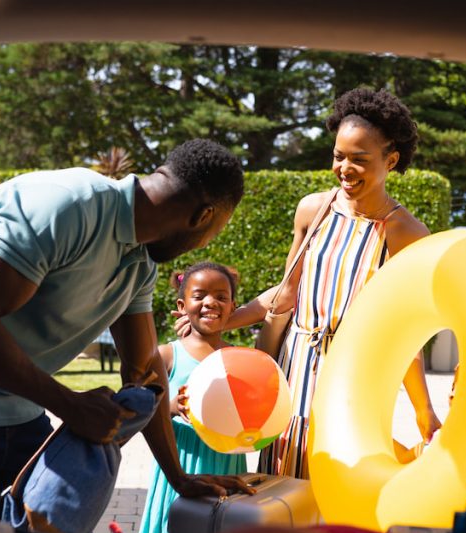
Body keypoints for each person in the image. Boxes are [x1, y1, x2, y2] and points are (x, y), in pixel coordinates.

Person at [0, 139, 252, 516]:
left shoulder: (139, 266)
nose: (204, 242)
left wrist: (178, 476)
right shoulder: (67, 204)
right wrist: (70, 405)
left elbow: (145, 368)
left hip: (21, 419)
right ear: (203, 216)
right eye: (214, 232)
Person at [187, 88, 443, 478]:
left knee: (338, 481)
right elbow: (287, 294)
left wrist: (425, 414)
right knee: (280, 482)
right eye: (339, 156)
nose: (345, 168)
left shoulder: (406, 233)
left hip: (355, 379)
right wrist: (226, 320)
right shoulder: (313, 209)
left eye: (360, 159)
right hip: (294, 371)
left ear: (391, 160)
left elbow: (405, 334)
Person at [138, 262, 247, 533]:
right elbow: (138, 411)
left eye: (221, 297)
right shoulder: (166, 356)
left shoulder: (241, 360)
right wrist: (171, 407)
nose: (210, 302)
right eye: (199, 296)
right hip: (180, 468)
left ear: (233, 307)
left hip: (226, 465)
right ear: (182, 305)